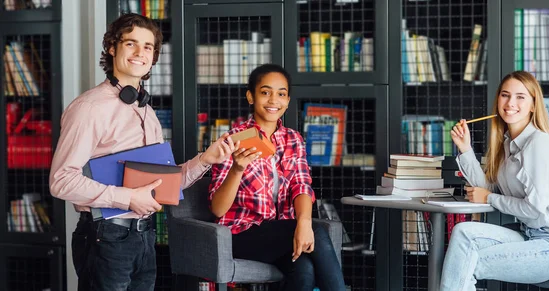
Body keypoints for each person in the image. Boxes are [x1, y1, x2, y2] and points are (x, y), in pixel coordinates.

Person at [49, 14, 235, 291]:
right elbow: (61, 181)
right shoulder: (89, 108)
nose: (140, 53)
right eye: (131, 43)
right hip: (106, 236)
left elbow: (164, 187)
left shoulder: (145, 111)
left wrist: (206, 159)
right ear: (112, 48)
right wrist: (128, 198)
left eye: (148, 47)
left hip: (145, 236)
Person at [208, 64, 346, 291]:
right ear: (250, 97)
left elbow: (301, 185)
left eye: (281, 94)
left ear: (288, 100)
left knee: (304, 270)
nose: (274, 100)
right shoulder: (233, 140)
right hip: (239, 234)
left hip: (280, 233)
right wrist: (237, 169)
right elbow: (217, 209)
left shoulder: (293, 139)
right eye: (265, 92)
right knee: (318, 233)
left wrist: (303, 223)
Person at [440, 71, 549, 290]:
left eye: (520, 97)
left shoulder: (538, 143)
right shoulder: (508, 144)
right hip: (530, 235)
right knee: (463, 232)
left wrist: (489, 197)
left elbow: (534, 209)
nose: (510, 103)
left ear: (533, 105)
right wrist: (465, 148)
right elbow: (485, 189)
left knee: (468, 263)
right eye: (505, 95)